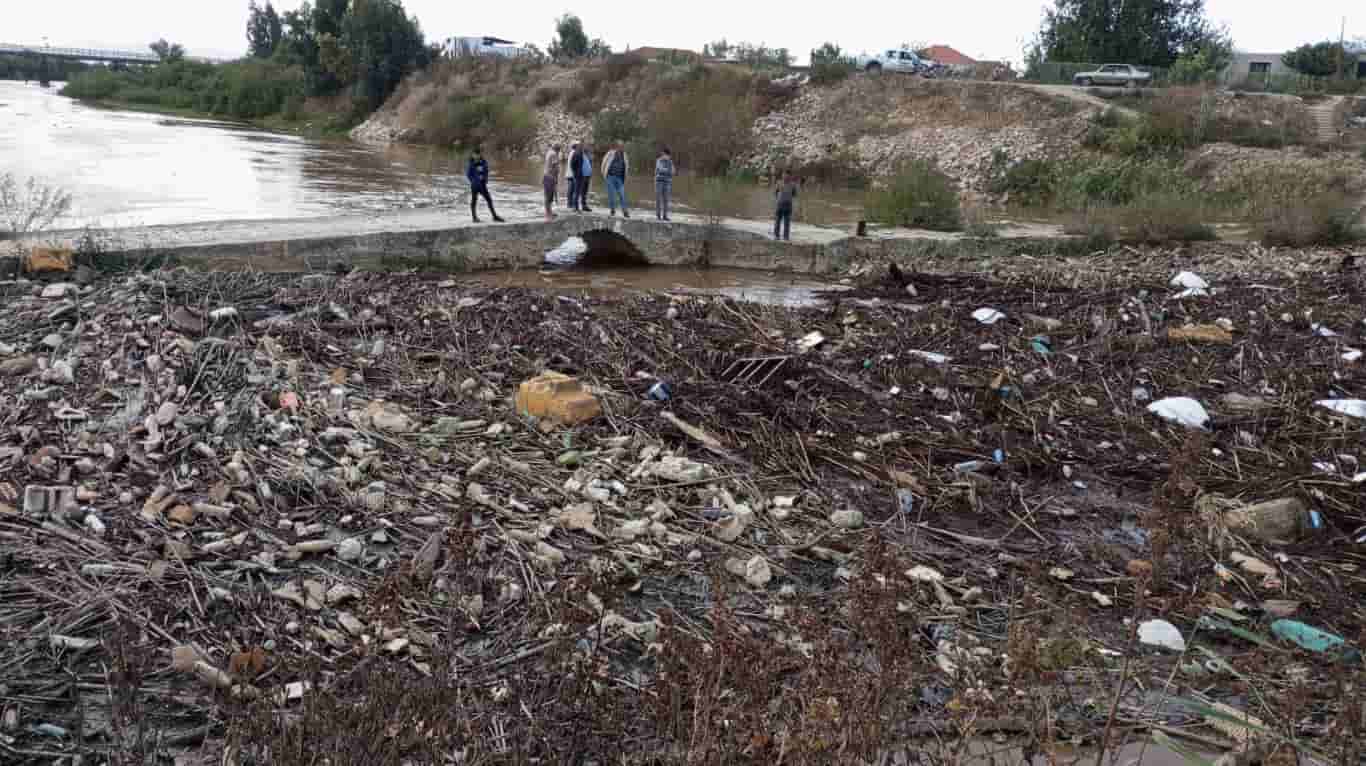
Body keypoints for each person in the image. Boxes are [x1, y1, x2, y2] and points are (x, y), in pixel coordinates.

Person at [466, 147, 504, 223]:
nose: (477, 156)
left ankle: (494, 216)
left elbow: (486, 171)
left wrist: (485, 179)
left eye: (478, 154)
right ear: (473, 155)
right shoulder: (471, 163)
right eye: (475, 154)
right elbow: (468, 175)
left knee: (489, 200)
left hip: (482, 184)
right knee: (474, 200)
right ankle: (474, 218)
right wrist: (474, 181)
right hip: (475, 185)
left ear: (480, 155)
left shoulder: (483, 162)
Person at [602, 141, 630, 218]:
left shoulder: (624, 155)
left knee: (622, 195)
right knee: (612, 195)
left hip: (620, 178)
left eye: (623, 146)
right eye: (620, 146)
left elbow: (626, 166)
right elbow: (603, 163)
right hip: (610, 177)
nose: (622, 147)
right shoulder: (610, 153)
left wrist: (625, 176)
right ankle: (612, 210)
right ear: (617, 147)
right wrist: (605, 175)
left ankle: (625, 211)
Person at [774, 170, 799, 241]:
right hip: (780, 204)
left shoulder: (793, 185)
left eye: (787, 175)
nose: (785, 176)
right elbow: (775, 192)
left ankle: (786, 237)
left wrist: (789, 198)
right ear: (782, 175)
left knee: (787, 222)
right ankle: (776, 236)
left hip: (788, 205)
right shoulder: (779, 183)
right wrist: (779, 199)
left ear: (790, 176)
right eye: (784, 175)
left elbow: (794, 194)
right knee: (777, 221)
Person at [654, 147, 675, 221]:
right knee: (658, 199)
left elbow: (673, 172)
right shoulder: (659, 161)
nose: (663, 155)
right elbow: (660, 169)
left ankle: (665, 216)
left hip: (667, 182)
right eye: (663, 154)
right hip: (659, 182)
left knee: (666, 200)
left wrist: (667, 171)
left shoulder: (670, 162)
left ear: (668, 155)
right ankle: (658, 215)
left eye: (665, 154)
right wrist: (667, 171)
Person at [542, 144, 562, 222]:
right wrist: (555, 178)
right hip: (550, 177)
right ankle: (548, 214)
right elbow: (555, 167)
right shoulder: (553, 154)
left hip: (547, 177)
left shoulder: (549, 152)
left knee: (549, 196)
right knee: (548, 197)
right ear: (558, 150)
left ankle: (549, 212)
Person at [567, 142, 584, 212]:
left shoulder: (577, 153)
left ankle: (572, 204)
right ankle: (574, 206)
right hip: (575, 174)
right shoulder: (575, 153)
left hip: (575, 174)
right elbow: (572, 164)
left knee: (574, 190)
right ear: (577, 146)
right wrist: (576, 172)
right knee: (575, 190)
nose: (581, 147)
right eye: (580, 146)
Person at [578, 144, 594, 212]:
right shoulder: (581, 156)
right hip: (583, 176)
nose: (589, 150)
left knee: (585, 191)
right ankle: (580, 205)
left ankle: (584, 205)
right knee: (582, 191)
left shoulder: (587, 156)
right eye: (587, 149)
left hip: (587, 176)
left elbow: (589, 165)